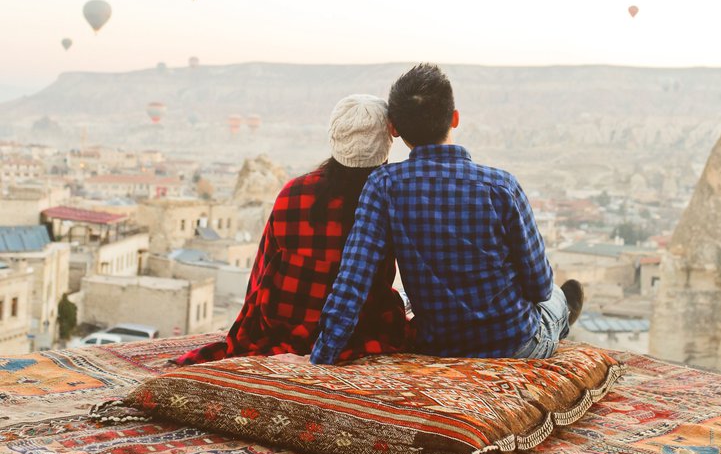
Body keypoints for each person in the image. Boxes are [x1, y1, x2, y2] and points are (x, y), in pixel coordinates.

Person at [311, 64, 583, 365]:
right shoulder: (501, 186)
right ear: (455, 118)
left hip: (437, 344)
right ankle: (565, 313)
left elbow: (353, 280)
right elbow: (539, 285)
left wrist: (321, 358)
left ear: (394, 129)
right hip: (513, 343)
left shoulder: (384, 185)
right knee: (556, 297)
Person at [174, 95, 411, 367]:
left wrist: (249, 326)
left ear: (335, 138)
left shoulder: (294, 192)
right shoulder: (390, 199)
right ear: (386, 143)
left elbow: (262, 270)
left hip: (283, 322)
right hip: (358, 325)